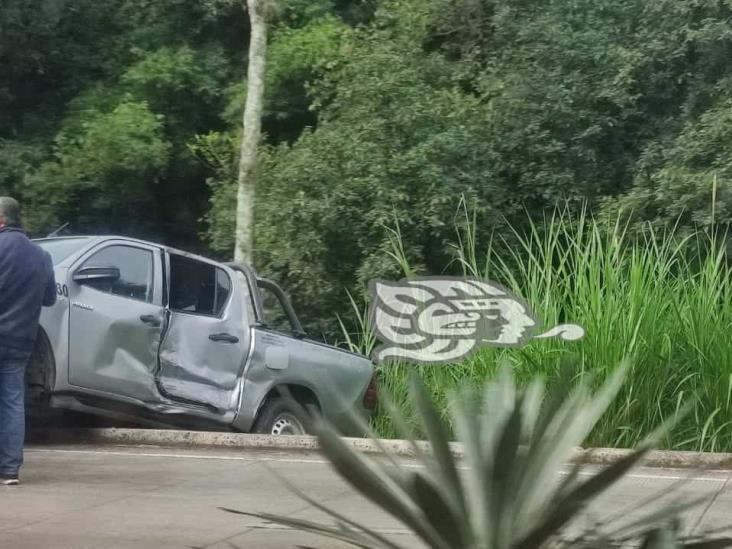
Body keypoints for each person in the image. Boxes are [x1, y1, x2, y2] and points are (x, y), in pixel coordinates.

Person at [0, 197, 56, 486]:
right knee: (12, 401)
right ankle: (9, 470)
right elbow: (49, 298)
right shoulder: (41, 256)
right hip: (22, 338)